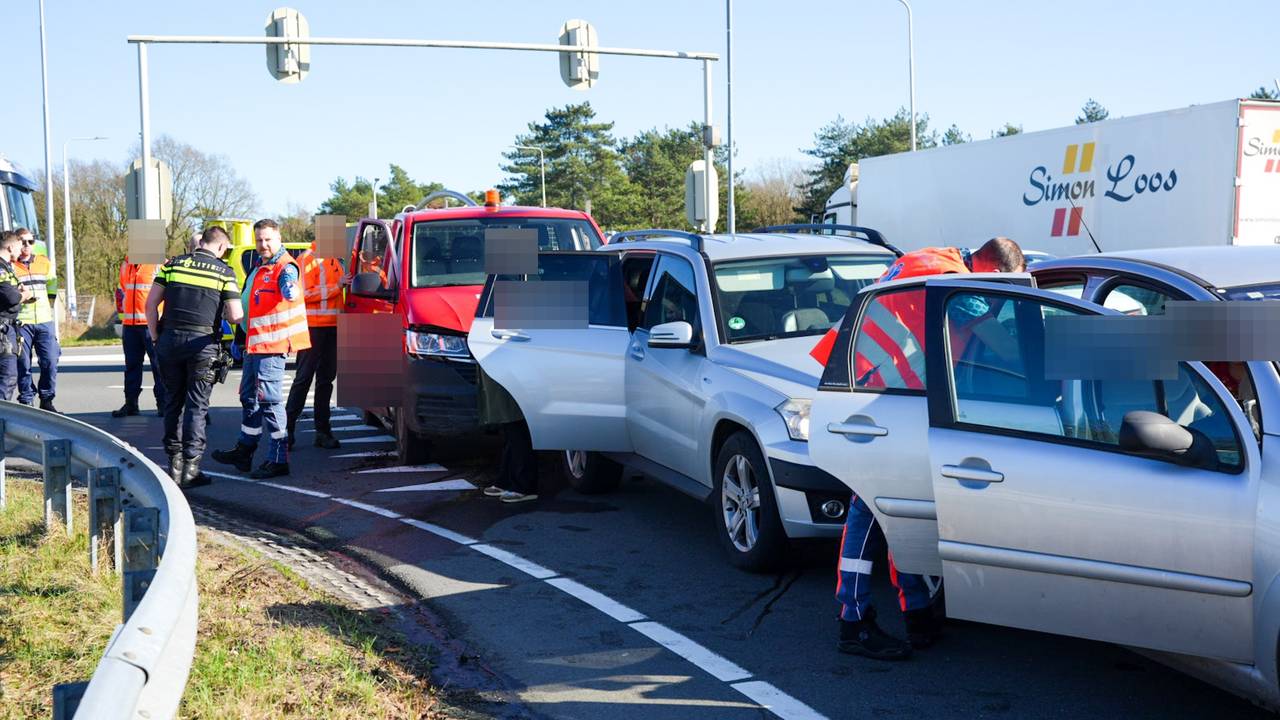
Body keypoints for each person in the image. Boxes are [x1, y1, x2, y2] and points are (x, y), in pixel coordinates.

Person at [819, 237, 1026, 661]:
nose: (996, 302)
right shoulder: (958, 284)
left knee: (901, 509)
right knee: (869, 512)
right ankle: (852, 620)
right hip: (877, 396)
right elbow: (1008, 350)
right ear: (992, 271)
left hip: (880, 391)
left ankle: (916, 612)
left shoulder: (935, 259)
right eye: (1000, 291)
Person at [212, 219, 309, 479]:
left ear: (279, 239)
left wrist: (290, 289)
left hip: (272, 346)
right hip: (253, 345)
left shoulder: (285, 267)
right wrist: (239, 338)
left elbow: (290, 287)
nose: (263, 244)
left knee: (269, 401)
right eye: (259, 240)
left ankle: (278, 459)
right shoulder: (259, 266)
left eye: (268, 239)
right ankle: (245, 450)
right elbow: (250, 305)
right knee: (249, 398)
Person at [148, 226, 242, 488]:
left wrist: (155, 337)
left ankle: (174, 465)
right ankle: (191, 469)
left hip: (169, 341)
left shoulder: (172, 265)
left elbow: (151, 304)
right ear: (221, 246)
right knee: (197, 406)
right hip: (202, 344)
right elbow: (236, 315)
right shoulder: (224, 272)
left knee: (172, 402)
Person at [285, 242, 345, 450]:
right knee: (304, 378)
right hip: (312, 327)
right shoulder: (306, 259)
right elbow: (303, 293)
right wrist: (337, 287)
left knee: (326, 380)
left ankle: (323, 431)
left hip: (333, 326)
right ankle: (286, 432)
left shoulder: (334, 259)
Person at [113, 255, 167, 417]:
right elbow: (124, 289)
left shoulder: (159, 263)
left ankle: (163, 404)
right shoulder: (126, 264)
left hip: (151, 323)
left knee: (159, 366)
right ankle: (131, 403)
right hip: (130, 324)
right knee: (131, 366)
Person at [13, 229, 60, 411]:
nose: (27, 245)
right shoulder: (10, 265)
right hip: (21, 322)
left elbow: (52, 283)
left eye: (30, 241)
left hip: (44, 320)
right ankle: (27, 401)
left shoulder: (44, 262)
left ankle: (47, 399)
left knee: (50, 361)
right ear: (16, 243)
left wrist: (50, 303)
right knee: (23, 364)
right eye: (23, 241)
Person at [477, 366, 539, 504]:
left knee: (515, 425)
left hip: (509, 372)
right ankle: (507, 480)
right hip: (501, 370)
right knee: (510, 428)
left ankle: (524, 485)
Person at [0, 231, 32, 401]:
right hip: (3, 328)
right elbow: (11, 297)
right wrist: (24, 295)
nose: (21, 251)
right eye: (19, 247)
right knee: (7, 377)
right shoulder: (1, 268)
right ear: (10, 247)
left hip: (8, 327)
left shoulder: (7, 267)